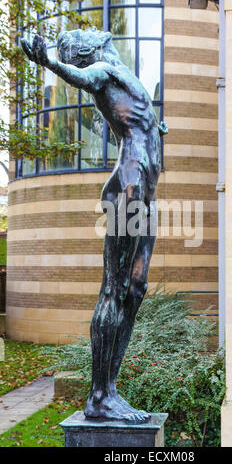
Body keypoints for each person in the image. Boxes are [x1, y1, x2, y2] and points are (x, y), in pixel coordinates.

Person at [21, 27, 167, 423]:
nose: (92, 28)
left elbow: (129, 121)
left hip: (145, 195)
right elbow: (83, 79)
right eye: (83, 31)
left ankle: (110, 390)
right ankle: (100, 397)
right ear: (91, 48)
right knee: (113, 289)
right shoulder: (101, 69)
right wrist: (51, 62)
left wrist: (155, 127)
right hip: (128, 190)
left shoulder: (123, 77)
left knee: (135, 289)